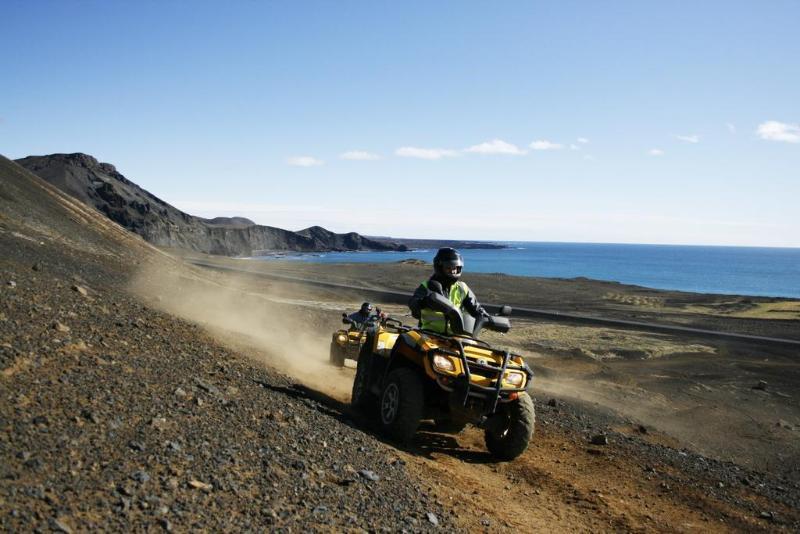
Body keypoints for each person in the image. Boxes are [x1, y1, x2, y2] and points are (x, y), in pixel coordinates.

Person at [408, 248, 486, 334]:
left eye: (457, 268)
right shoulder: (427, 286)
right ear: (439, 267)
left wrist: (484, 317)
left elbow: (477, 310)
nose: (453, 271)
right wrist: (423, 302)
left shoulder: (462, 288)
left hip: (455, 338)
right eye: (449, 268)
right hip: (429, 334)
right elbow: (413, 303)